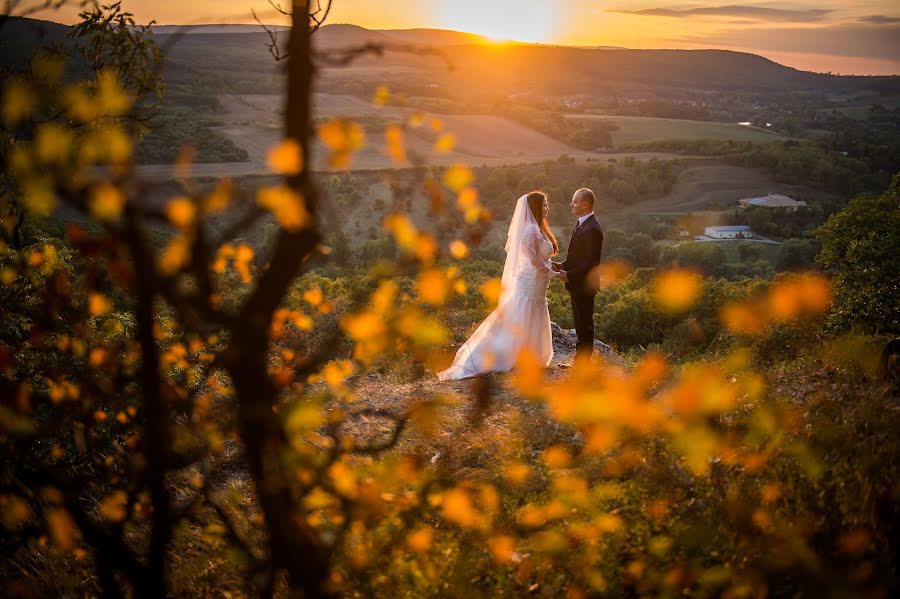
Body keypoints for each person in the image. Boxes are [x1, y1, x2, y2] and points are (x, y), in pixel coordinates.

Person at [438, 191, 565, 381]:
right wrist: (557, 275)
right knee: (523, 313)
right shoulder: (530, 229)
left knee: (534, 312)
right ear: (536, 208)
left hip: (538, 282)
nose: (548, 208)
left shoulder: (538, 228)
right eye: (545, 205)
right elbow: (535, 261)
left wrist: (554, 267)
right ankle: (500, 355)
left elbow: (543, 258)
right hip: (530, 280)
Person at [552, 188, 604, 362]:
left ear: (585, 204)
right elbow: (577, 257)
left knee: (584, 324)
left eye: (574, 202)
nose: (571, 205)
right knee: (579, 323)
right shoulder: (582, 223)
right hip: (577, 282)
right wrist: (562, 265)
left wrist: (569, 275)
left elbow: (591, 262)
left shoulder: (593, 228)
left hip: (585, 283)